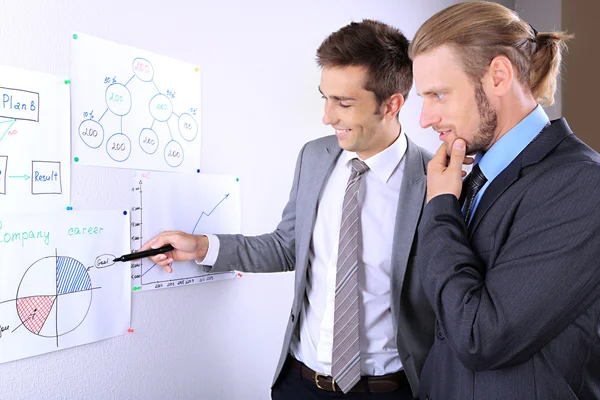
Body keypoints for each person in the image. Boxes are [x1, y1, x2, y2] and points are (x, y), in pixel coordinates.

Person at [140, 20, 434, 399]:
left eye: (343, 103)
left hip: (390, 390)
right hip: (300, 383)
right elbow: (286, 246)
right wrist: (201, 246)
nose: (327, 117)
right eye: (324, 98)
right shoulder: (316, 156)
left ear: (392, 104)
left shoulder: (435, 181)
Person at [409, 2, 600, 399]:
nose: (425, 119)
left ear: (498, 75)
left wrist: (441, 209)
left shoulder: (582, 184)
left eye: (439, 95)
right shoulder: (466, 177)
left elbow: (481, 337)